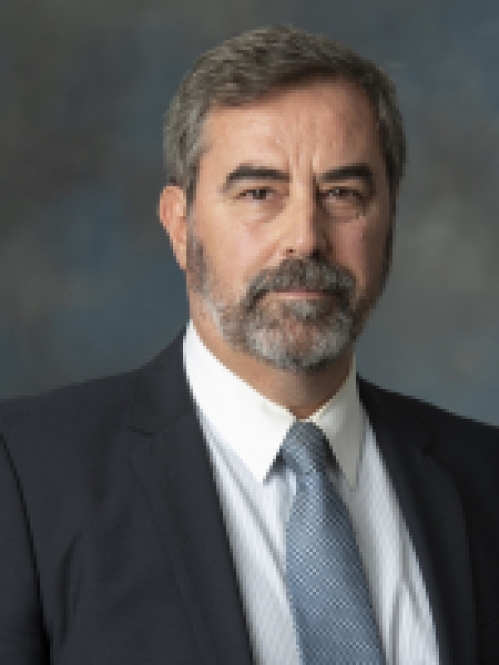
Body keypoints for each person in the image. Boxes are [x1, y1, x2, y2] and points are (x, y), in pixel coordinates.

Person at [0, 24, 497, 665]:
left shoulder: (485, 479)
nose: (305, 238)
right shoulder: (27, 478)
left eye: (343, 194)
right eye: (259, 192)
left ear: (389, 222)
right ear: (181, 226)